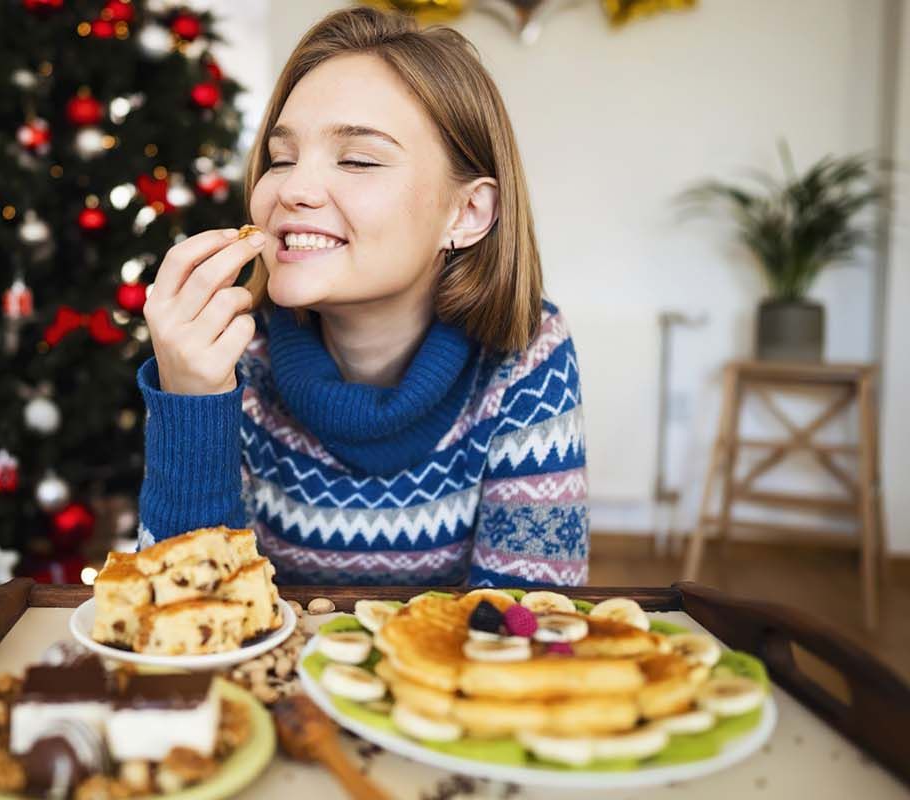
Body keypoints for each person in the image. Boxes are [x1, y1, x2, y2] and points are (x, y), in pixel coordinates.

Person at [135, 6, 588, 587]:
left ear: (467, 211)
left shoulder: (529, 353)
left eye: (357, 159)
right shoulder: (228, 357)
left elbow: (534, 632)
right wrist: (193, 405)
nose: (292, 190)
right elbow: (180, 618)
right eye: (281, 158)